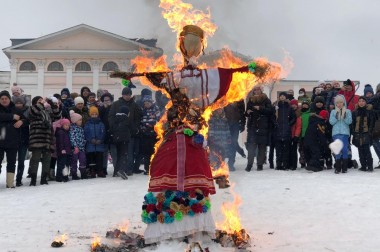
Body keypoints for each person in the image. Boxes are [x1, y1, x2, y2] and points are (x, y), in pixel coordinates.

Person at [110, 25, 278, 245]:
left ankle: (193, 225)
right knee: (166, 166)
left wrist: (248, 68)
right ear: (181, 44)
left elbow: (230, 73)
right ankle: (168, 224)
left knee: (191, 169)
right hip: (175, 135)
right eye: (186, 42)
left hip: (192, 136)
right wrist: (133, 75)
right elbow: (156, 76)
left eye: (193, 43)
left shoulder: (204, 77)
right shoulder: (179, 77)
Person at [108, 87, 143, 176]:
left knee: (129, 152)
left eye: (129, 94)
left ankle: (128, 169)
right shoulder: (116, 104)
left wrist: (135, 128)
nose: (127, 96)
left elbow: (138, 118)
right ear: (122, 95)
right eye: (125, 94)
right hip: (118, 133)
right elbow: (111, 117)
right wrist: (113, 128)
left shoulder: (134, 105)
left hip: (130, 133)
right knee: (119, 153)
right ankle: (118, 170)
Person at [28, 96, 61, 186]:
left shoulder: (48, 111)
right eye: (39, 100)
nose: (42, 101)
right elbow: (36, 110)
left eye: (42, 100)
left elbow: (57, 116)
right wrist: (41, 104)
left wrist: (53, 106)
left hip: (47, 138)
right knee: (35, 159)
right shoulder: (33, 109)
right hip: (37, 138)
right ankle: (33, 179)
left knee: (47, 159)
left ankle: (44, 178)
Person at [245, 85, 273, 171]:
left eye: (258, 90)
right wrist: (248, 112)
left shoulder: (266, 99)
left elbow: (270, 111)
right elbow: (246, 113)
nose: (256, 91)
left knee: (262, 147)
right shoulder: (250, 100)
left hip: (263, 126)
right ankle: (249, 164)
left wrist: (260, 108)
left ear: (261, 90)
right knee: (251, 147)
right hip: (253, 126)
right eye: (255, 90)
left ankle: (260, 165)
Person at [0, 90, 24, 188]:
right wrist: (12, 116)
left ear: (9, 99)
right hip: (0, 140)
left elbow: (26, 119)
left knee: (11, 162)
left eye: (6, 98)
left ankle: (10, 183)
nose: (4, 100)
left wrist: (22, 121)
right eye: (2, 99)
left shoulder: (16, 109)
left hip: (13, 141)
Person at [329, 95, 352, 174]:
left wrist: (344, 116)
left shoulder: (348, 111)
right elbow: (331, 122)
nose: (339, 104)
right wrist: (336, 116)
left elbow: (349, 122)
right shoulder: (333, 111)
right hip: (336, 133)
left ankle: (344, 167)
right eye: (337, 102)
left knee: (344, 149)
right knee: (337, 149)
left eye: (341, 102)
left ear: (344, 102)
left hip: (345, 133)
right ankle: (338, 167)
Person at [139, 95, 161, 175]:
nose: (147, 104)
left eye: (148, 102)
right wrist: (143, 128)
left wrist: (151, 126)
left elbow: (159, 121)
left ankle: (154, 168)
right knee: (146, 153)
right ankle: (147, 168)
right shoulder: (142, 110)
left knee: (154, 152)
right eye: (145, 103)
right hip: (145, 135)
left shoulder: (156, 109)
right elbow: (140, 121)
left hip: (153, 134)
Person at [351, 96, 375, 172]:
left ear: (366, 102)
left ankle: (370, 166)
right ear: (358, 103)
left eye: (363, 101)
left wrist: (370, 132)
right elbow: (353, 124)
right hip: (358, 134)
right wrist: (353, 133)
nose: (361, 102)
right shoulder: (354, 112)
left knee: (367, 150)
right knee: (360, 150)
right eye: (360, 101)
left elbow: (372, 122)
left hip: (366, 133)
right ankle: (363, 166)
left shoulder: (370, 111)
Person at [274, 92, 296, 170]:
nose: (282, 97)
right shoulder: (276, 106)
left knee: (286, 150)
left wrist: (289, 124)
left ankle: (285, 165)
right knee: (278, 150)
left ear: (286, 97)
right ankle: (278, 164)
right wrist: (275, 123)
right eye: (281, 96)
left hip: (287, 132)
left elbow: (294, 118)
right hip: (278, 131)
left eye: (284, 96)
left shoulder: (289, 107)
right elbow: (272, 116)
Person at [224, 99, 246, 171]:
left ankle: (231, 163)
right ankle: (221, 163)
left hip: (235, 124)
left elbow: (242, 113)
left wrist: (242, 124)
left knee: (233, 142)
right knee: (226, 143)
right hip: (226, 124)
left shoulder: (239, 97)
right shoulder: (225, 96)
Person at [84, 106, 106, 178]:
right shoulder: (87, 124)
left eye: (95, 114)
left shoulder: (101, 123)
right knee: (91, 159)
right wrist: (91, 139)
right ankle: (92, 171)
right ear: (90, 115)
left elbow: (103, 132)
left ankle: (100, 171)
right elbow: (86, 133)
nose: (94, 116)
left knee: (99, 159)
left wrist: (100, 139)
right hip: (91, 144)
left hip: (99, 144)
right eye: (92, 114)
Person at [13, 96, 30, 187]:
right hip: (13, 140)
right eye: (17, 103)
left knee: (21, 161)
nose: (18, 104)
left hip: (23, 140)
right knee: (12, 161)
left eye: (20, 103)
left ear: (23, 103)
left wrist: (23, 121)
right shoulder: (12, 111)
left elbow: (30, 121)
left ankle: (19, 179)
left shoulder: (27, 111)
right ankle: (11, 178)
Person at [99, 92, 117, 176]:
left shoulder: (114, 108)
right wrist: (104, 108)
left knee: (114, 152)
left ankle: (116, 169)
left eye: (108, 100)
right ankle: (103, 169)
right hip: (104, 133)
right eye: (105, 100)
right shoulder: (101, 109)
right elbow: (100, 118)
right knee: (104, 153)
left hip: (113, 132)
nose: (106, 101)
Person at [111, 105, 131, 179]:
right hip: (124, 139)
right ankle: (121, 170)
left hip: (117, 139)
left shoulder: (116, 118)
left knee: (119, 155)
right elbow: (131, 128)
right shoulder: (126, 118)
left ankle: (115, 171)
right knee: (124, 154)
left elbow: (112, 127)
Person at [69, 110, 86, 179]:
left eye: (81, 120)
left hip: (82, 148)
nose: (81, 121)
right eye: (79, 120)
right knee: (74, 161)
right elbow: (72, 138)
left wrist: (84, 142)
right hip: (75, 149)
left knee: (83, 160)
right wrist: (75, 146)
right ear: (75, 121)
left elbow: (83, 137)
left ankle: (83, 173)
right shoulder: (72, 129)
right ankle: (74, 174)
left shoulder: (81, 128)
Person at [289, 99, 301, 170]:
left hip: (295, 135)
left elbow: (299, 126)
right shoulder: (289, 112)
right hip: (288, 134)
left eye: (294, 104)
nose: (293, 106)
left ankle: (294, 164)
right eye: (292, 104)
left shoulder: (298, 114)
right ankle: (288, 163)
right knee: (289, 150)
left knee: (293, 150)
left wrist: (296, 135)